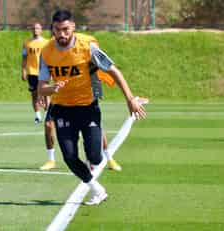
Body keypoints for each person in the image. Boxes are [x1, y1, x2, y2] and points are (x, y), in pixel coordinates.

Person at [37, 10, 146, 205]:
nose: (61, 35)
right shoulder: (46, 52)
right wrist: (50, 89)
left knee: (95, 156)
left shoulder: (88, 47)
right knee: (70, 157)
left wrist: (130, 98)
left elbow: (113, 70)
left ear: (73, 28)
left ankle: (92, 163)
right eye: (57, 30)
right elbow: (41, 87)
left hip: (88, 107)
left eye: (65, 30)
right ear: (52, 29)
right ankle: (97, 190)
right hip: (62, 107)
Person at [21, 22, 49, 124]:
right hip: (31, 71)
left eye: (37, 28)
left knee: (46, 92)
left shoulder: (46, 42)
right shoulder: (27, 43)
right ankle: (37, 115)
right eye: (33, 28)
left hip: (43, 71)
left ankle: (47, 114)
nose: (35, 30)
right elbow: (24, 57)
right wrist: (23, 70)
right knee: (34, 94)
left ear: (41, 30)